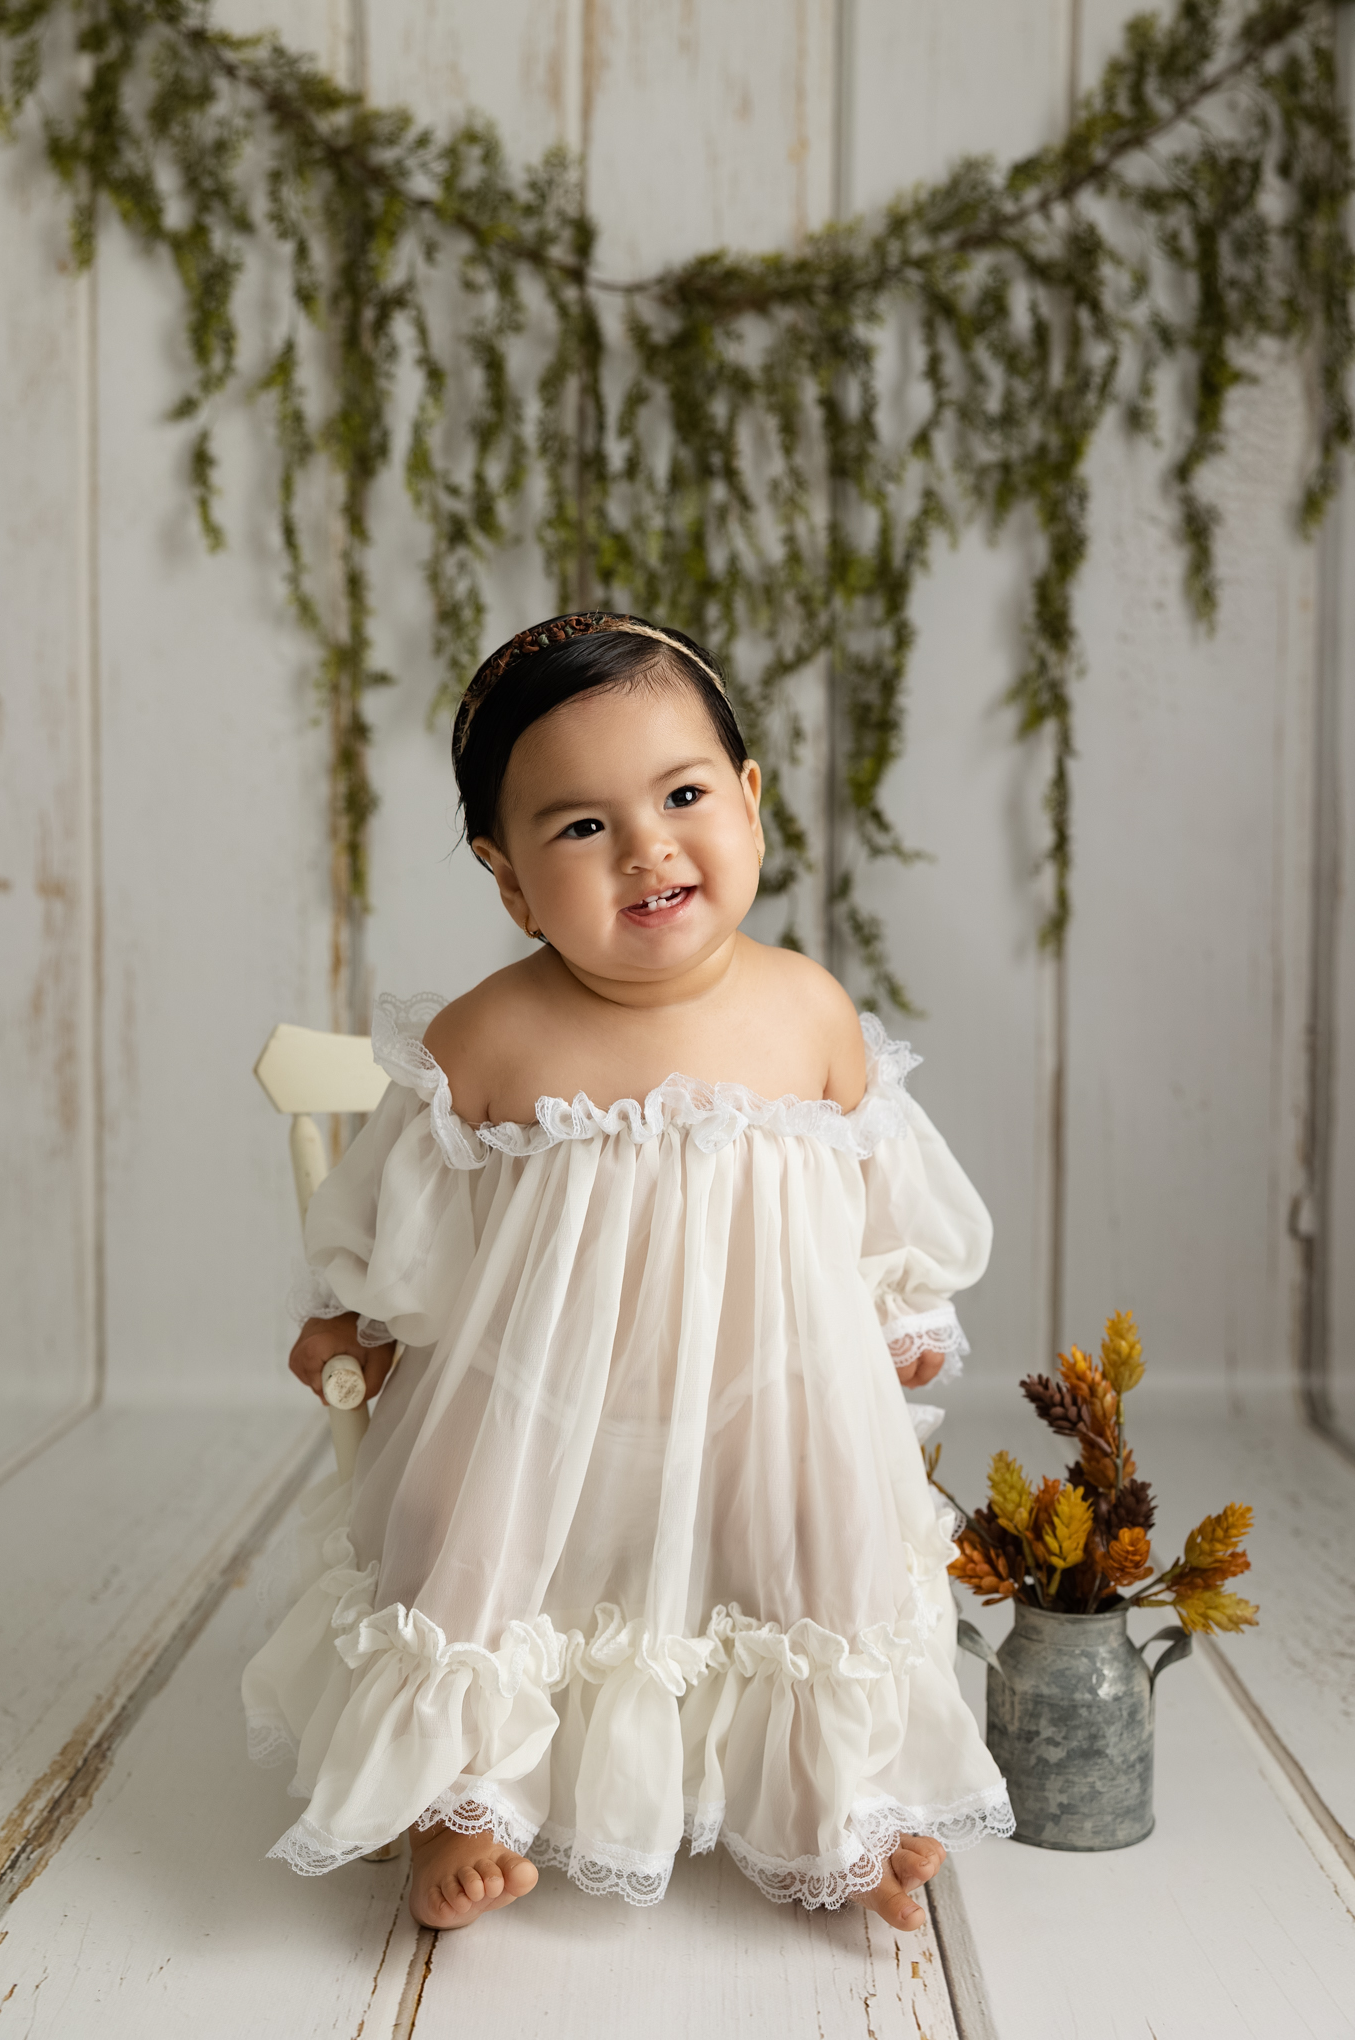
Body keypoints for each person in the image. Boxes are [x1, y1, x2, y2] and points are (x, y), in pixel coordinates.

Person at [243, 611, 1013, 1933]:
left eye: (681, 794)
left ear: (749, 798)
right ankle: (459, 1803)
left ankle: (842, 1800)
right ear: (506, 878)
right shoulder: (488, 1038)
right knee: (458, 1547)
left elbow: (872, 1190)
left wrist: (901, 1310)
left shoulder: (805, 1010)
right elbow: (399, 1203)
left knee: (825, 1550)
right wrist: (354, 1321)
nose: (648, 845)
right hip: (540, 1392)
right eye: (579, 827)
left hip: (766, 1385)